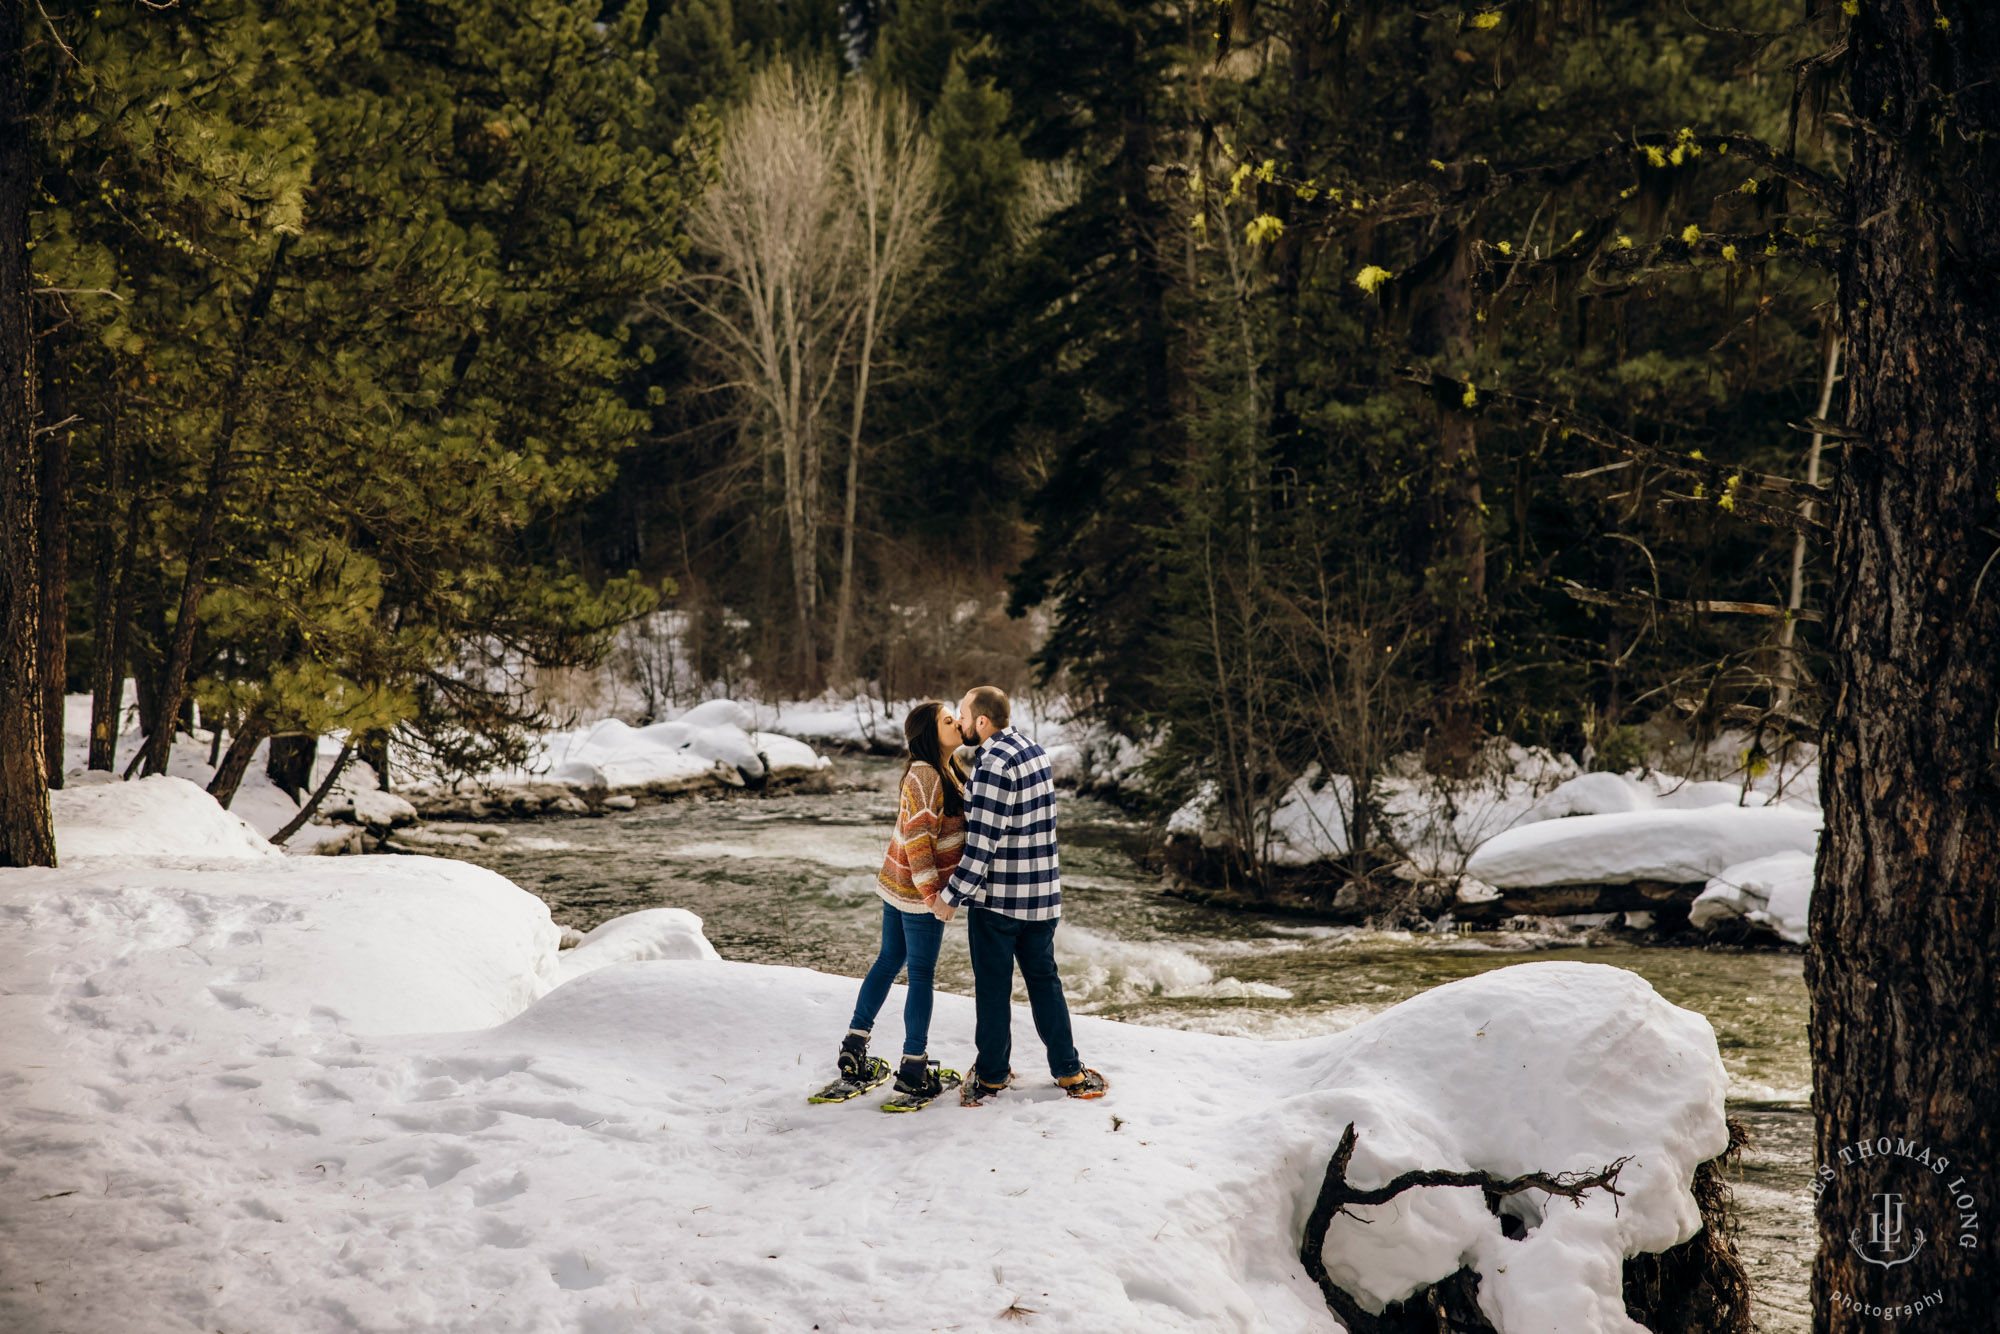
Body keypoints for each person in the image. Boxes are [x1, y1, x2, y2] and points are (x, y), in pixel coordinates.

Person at [933, 685, 1107, 1104]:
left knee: (993, 988)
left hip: (1000, 903)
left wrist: (950, 897)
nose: (959, 722)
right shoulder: (1034, 750)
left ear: (982, 721)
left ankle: (992, 1075)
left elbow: (982, 844)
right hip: (1044, 896)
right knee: (1045, 982)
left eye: (963, 714)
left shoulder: (992, 764)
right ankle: (1068, 1072)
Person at [833, 701, 969, 1102]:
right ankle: (913, 1066)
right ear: (931, 733)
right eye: (949, 720)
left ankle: (853, 1048)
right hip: (916, 891)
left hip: (897, 882)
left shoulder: (944, 769)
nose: (958, 722)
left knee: (889, 960)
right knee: (921, 975)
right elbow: (919, 842)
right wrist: (934, 898)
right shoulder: (926, 775)